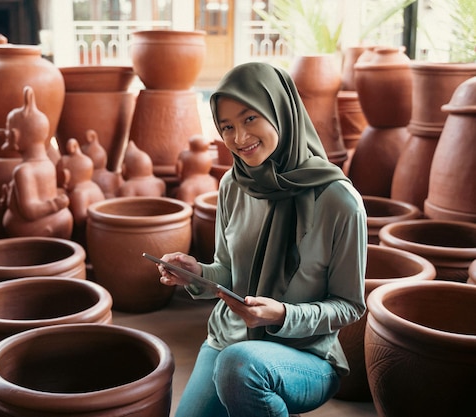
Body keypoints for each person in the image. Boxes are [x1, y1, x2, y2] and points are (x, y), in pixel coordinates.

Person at [157, 62, 367, 417]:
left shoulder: (338, 200)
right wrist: (197, 273)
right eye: (227, 127)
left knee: (242, 368)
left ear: (280, 110)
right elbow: (228, 271)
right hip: (228, 339)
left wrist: (282, 315)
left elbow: (349, 306)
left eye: (250, 118)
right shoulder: (232, 186)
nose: (239, 138)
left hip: (305, 355)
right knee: (234, 365)